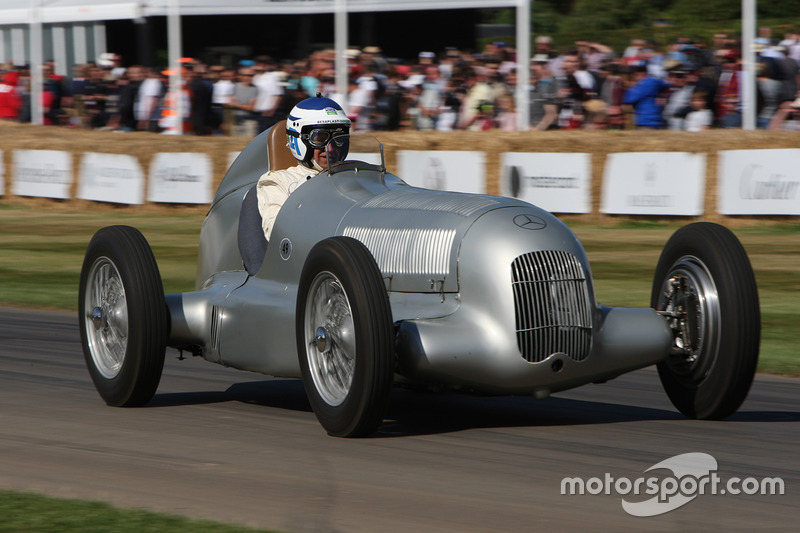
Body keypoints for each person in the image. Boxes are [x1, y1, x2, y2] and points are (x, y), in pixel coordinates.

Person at [256, 95, 351, 241]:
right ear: (299, 140)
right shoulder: (278, 182)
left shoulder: (355, 176)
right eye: (320, 138)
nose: (330, 148)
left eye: (338, 138)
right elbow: (277, 233)